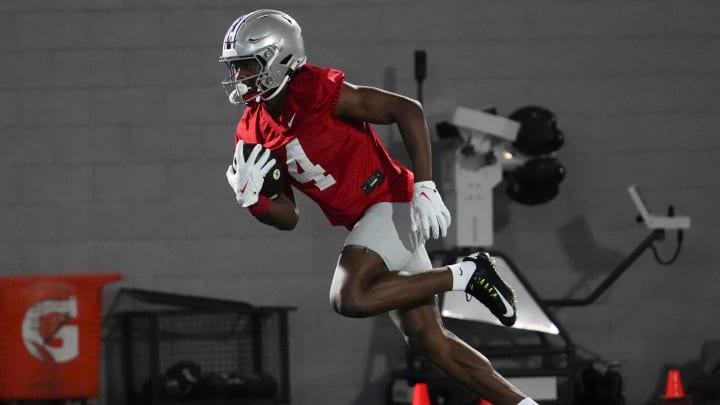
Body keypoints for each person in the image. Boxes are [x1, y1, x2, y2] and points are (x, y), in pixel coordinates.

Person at [220, 9, 538, 405]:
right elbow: (289, 217)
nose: (239, 77)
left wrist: (424, 184)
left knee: (348, 296)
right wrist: (255, 201)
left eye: (246, 65)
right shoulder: (252, 129)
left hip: (393, 201)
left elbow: (406, 110)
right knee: (430, 341)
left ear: (278, 56)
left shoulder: (315, 89)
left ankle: (467, 273)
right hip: (373, 223)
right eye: (235, 67)